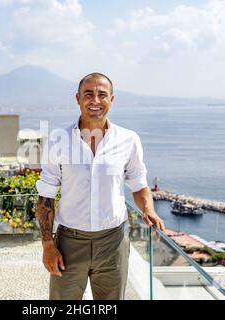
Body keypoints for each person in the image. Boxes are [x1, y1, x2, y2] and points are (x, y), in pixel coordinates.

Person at [36, 72, 164, 300]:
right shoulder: (58, 140)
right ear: (77, 98)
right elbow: (46, 195)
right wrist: (47, 245)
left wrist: (148, 209)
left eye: (102, 95)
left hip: (113, 243)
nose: (95, 100)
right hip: (69, 243)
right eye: (88, 94)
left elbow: (139, 184)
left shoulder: (129, 139)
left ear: (111, 99)